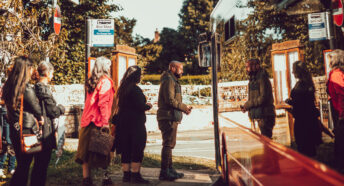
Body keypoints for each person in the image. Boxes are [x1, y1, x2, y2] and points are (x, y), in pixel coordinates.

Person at [2, 56, 44, 186]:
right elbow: (37, 109)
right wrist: (40, 117)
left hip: (15, 130)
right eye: (31, 68)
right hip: (27, 131)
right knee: (24, 166)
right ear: (27, 69)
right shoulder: (26, 89)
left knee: (22, 164)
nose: (32, 71)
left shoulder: (9, 86)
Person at [75, 56, 115, 186]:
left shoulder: (91, 81)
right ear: (104, 67)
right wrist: (105, 122)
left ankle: (86, 180)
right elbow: (103, 103)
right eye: (108, 66)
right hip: (98, 121)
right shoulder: (106, 82)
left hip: (86, 121)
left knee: (85, 153)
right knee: (103, 151)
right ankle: (105, 179)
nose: (110, 68)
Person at [112, 65, 152, 184]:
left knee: (126, 149)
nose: (141, 77)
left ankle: (126, 175)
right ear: (136, 76)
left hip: (122, 123)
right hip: (136, 124)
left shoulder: (122, 89)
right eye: (140, 75)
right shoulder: (136, 90)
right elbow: (140, 106)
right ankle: (135, 175)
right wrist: (148, 106)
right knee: (137, 149)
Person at [157, 61, 192, 181]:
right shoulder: (169, 80)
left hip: (171, 116)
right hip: (168, 117)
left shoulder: (171, 79)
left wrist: (184, 109)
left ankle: (169, 169)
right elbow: (170, 100)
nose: (182, 71)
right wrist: (184, 107)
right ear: (172, 68)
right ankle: (164, 172)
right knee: (168, 144)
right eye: (180, 69)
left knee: (170, 144)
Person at [34, 61, 65, 185]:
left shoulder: (37, 87)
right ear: (47, 73)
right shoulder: (43, 89)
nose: (52, 75)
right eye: (51, 73)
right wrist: (61, 108)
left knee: (39, 165)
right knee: (41, 164)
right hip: (44, 130)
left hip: (41, 129)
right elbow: (52, 111)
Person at [286, 61, 322, 157]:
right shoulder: (307, 82)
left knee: (304, 149)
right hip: (308, 120)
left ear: (298, 71)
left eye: (294, 70)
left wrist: (289, 102)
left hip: (303, 121)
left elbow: (301, 103)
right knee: (309, 149)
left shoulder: (302, 85)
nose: (292, 73)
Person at [241, 59, 275, 138]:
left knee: (266, 141)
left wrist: (248, 104)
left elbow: (262, 98)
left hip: (265, 116)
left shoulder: (262, 78)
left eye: (248, 67)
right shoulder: (253, 79)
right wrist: (246, 107)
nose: (246, 69)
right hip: (259, 116)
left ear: (255, 66)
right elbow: (254, 97)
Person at [327, 49, 344, 169]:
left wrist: (341, 114)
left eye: (330, 59)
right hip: (339, 109)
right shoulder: (340, 72)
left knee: (341, 139)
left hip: (340, 111)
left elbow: (341, 95)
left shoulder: (336, 74)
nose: (329, 62)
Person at [0, 86, 16, 179]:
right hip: (6, 132)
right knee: (8, 145)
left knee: (8, 145)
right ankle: (8, 168)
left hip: (8, 131)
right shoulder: (4, 108)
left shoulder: (6, 106)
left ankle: (9, 168)